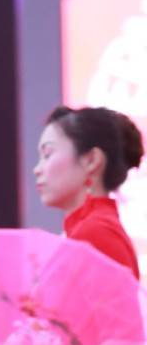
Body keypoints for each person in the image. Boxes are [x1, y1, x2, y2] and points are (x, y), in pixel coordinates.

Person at [34, 105, 142, 278]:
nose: (37, 170)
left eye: (48, 154)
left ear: (92, 160)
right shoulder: (88, 229)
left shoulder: (95, 233)